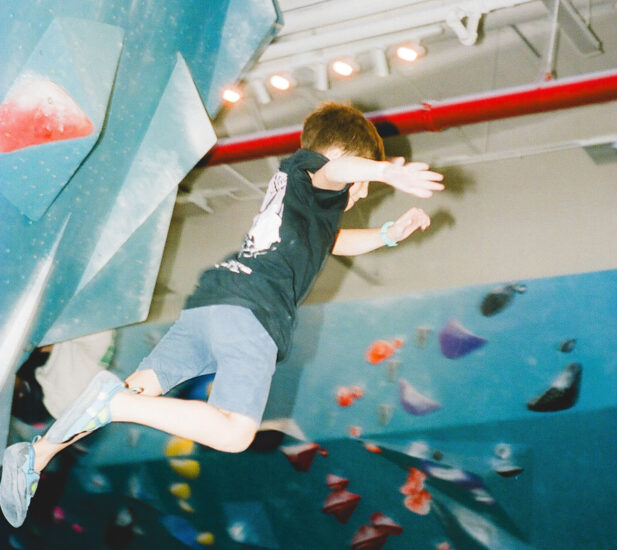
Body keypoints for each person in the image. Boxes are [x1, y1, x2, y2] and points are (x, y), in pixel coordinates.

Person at [0, 102, 444, 527]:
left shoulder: (306, 208)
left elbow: (334, 242)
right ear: (338, 160)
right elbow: (338, 169)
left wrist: (386, 235)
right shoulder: (314, 174)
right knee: (234, 434)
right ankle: (115, 403)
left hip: (214, 305)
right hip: (251, 310)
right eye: (361, 184)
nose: (361, 192)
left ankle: (36, 456)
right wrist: (385, 172)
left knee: (135, 392)